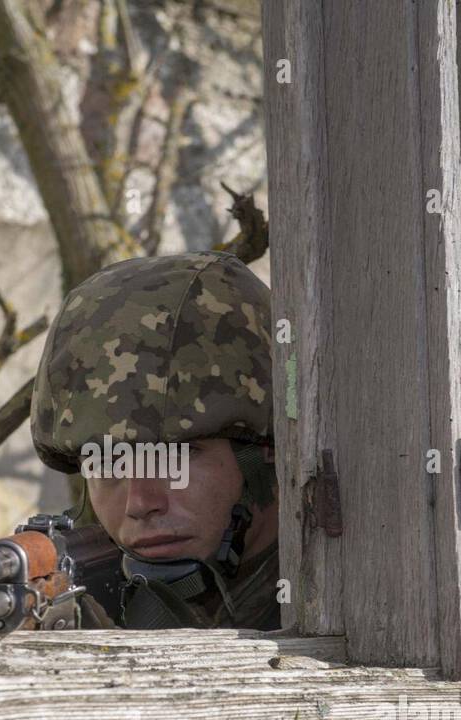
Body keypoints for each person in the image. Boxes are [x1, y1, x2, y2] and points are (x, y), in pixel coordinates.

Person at [29, 249, 281, 631]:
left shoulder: (352, 591)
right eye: (109, 464)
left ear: (263, 450)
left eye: (173, 460)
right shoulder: (87, 599)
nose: (141, 503)